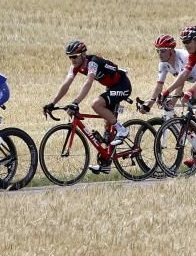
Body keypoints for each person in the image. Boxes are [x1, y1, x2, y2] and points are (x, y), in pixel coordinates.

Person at [43, 40, 132, 174]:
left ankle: (122, 130)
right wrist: (53, 103)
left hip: (122, 86)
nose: (72, 59)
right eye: (70, 57)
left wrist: (76, 102)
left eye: (74, 56)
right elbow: (66, 84)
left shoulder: (92, 62)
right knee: (107, 130)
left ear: (83, 54)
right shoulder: (75, 66)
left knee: (96, 104)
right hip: (111, 87)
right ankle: (106, 164)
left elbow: (89, 82)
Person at [138, 34, 196, 118]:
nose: (159, 54)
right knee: (190, 121)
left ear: (171, 50)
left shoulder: (183, 57)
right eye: (157, 51)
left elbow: (180, 83)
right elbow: (159, 86)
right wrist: (151, 102)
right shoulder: (163, 63)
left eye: (163, 51)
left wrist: (172, 103)